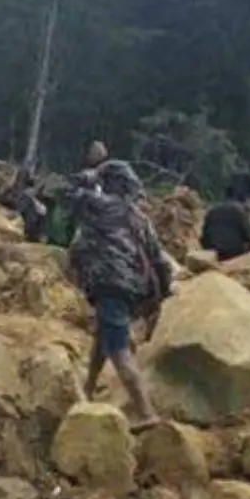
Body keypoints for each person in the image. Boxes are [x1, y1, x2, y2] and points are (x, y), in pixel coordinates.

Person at [69, 161, 172, 426]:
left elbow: (66, 193)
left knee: (118, 349)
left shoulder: (99, 206)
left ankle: (146, 412)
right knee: (103, 336)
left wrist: (88, 178)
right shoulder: (138, 217)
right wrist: (163, 292)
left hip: (110, 283)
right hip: (133, 288)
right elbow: (159, 260)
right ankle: (87, 390)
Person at [200, 174, 250, 262]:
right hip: (234, 252)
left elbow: (204, 236)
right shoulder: (240, 211)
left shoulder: (212, 210)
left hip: (214, 251)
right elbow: (248, 236)